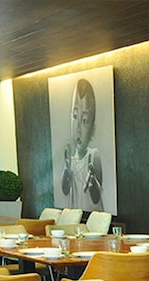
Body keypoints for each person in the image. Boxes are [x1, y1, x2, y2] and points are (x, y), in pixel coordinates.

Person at [61, 78, 103, 210]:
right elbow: (65, 189)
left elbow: (96, 197)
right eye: (75, 116)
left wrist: (93, 184)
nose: (78, 127)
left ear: (93, 130)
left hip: (94, 217)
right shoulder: (70, 161)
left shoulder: (93, 155)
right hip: (75, 217)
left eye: (84, 120)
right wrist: (66, 170)